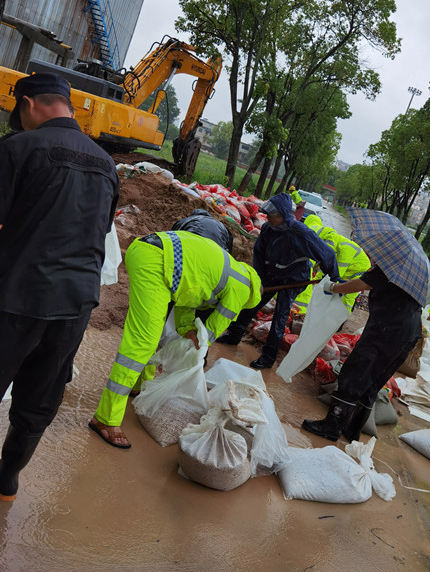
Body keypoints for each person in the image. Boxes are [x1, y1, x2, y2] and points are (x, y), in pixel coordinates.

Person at [0, 73, 119, 500]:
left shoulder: (17, 148)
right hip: (75, 304)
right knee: (40, 397)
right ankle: (7, 479)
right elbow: (98, 232)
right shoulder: (107, 165)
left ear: (29, 104)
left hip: (16, 296)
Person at [89, 231, 262, 449]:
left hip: (151, 252)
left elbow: (187, 298)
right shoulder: (242, 288)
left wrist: (186, 328)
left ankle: (139, 385)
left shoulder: (227, 270)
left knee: (153, 333)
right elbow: (212, 330)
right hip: (155, 264)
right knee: (142, 343)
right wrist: (197, 350)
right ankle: (106, 419)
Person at [216, 193, 339, 369]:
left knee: (280, 315)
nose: (268, 218)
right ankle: (234, 335)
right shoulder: (267, 228)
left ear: (283, 215)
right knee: (252, 303)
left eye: (271, 216)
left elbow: (326, 254)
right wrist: (259, 279)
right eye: (267, 216)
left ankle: (268, 357)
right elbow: (258, 253)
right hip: (272, 275)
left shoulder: (301, 233)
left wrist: (334, 277)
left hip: (295, 279)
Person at [302, 265, 423, 442]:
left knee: (354, 374)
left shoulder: (389, 267)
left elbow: (360, 285)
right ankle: (352, 431)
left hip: (386, 331)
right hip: (408, 334)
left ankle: (332, 426)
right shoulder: (410, 274)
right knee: (374, 381)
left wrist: (333, 287)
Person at [294, 215, 371, 313]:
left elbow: (335, 274)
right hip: (350, 268)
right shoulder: (326, 239)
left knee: (346, 297)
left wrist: (319, 282)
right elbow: (320, 264)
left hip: (359, 271)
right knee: (332, 291)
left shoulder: (344, 249)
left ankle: (340, 317)